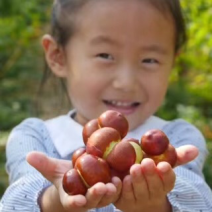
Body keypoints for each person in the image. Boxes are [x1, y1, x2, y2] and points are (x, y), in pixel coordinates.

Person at [1, 0, 212, 211]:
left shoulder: (176, 139)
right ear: (58, 57)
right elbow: (15, 200)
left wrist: (158, 204)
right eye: (105, 56)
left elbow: (200, 200)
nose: (126, 82)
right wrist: (54, 201)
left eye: (149, 60)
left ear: (172, 63)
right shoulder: (34, 137)